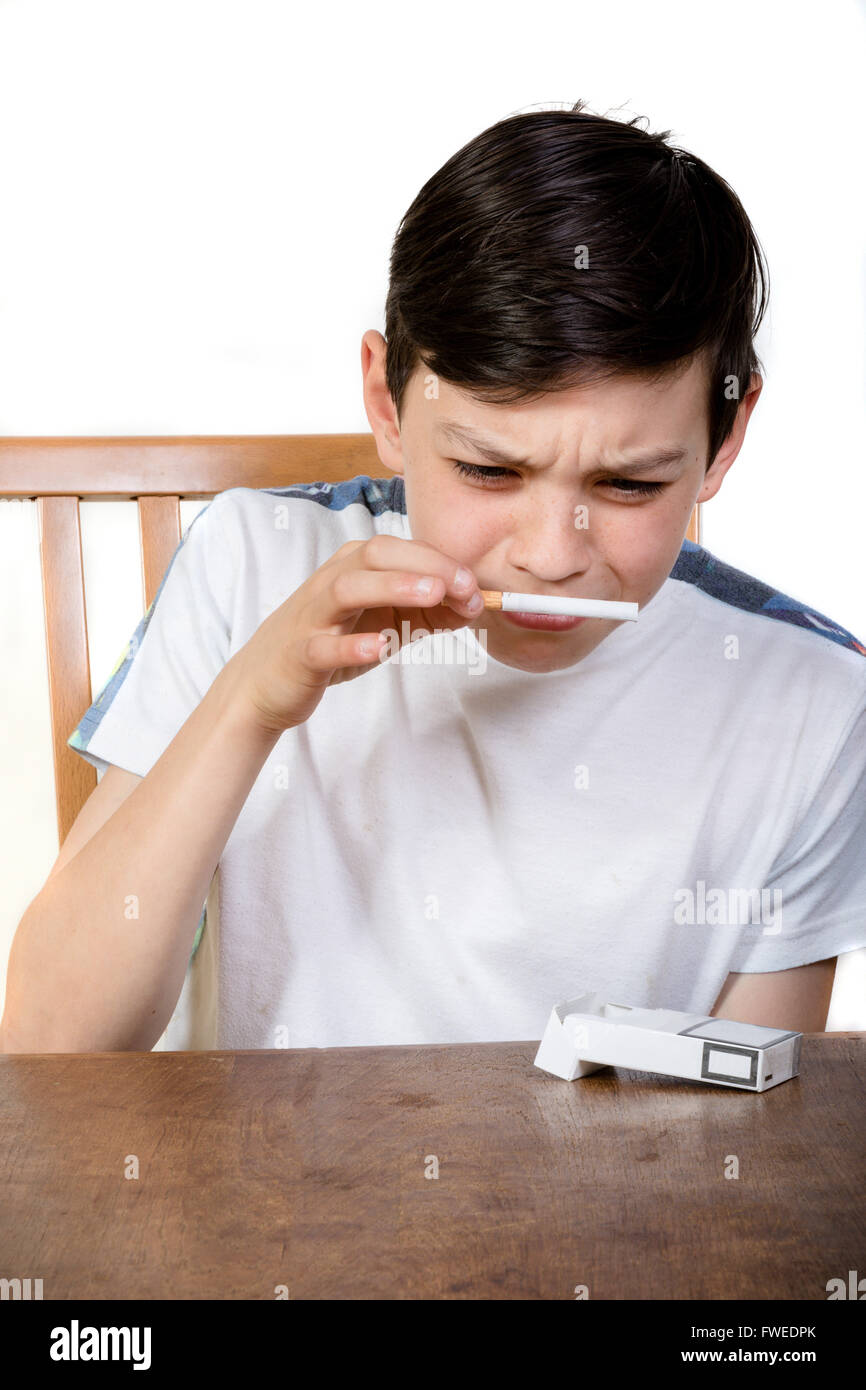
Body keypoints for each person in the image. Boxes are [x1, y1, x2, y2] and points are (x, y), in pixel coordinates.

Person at [3, 101, 865, 1054]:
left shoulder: (812, 704)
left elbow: (746, 1139)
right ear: (385, 401)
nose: (550, 552)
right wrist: (251, 701)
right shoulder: (251, 565)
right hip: (263, 1199)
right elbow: (52, 1048)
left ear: (724, 440)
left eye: (628, 483)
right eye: (489, 471)